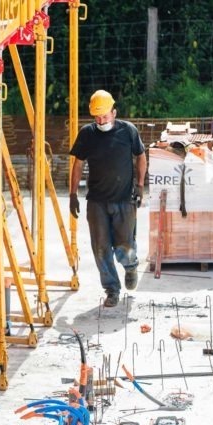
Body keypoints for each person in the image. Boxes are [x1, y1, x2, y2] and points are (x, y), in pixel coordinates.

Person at [69, 90, 147, 308]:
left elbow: (141, 156)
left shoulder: (128, 131)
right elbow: (78, 164)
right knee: (101, 248)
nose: (101, 121)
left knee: (125, 245)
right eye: (97, 117)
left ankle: (130, 266)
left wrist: (140, 186)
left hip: (124, 199)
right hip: (97, 202)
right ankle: (112, 290)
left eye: (105, 116)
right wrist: (73, 194)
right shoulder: (87, 134)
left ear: (114, 112)